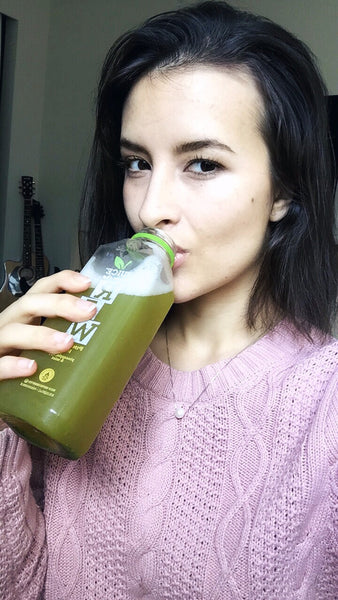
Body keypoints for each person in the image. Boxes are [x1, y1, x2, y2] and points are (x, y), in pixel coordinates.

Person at [0, 1, 337, 598]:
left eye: (202, 164)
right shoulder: (74, 353)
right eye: (136, 164)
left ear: (284, 190)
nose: (151, 207)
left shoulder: (324, 405)